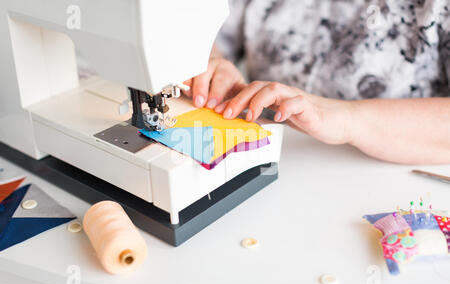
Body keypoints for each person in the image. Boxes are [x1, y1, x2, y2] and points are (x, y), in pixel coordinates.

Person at [183, 0, 450, 165]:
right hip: (275, 163)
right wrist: (211, 62)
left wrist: (344, 118)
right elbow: (200, 28)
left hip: (389, 176)